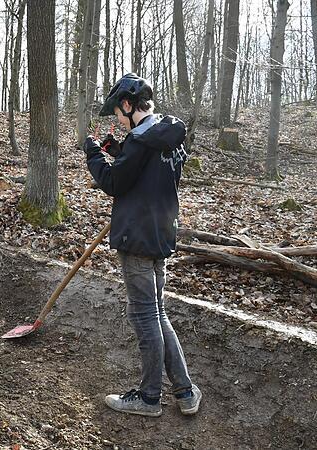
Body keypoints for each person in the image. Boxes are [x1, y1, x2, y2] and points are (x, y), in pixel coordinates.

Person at [83, 73, 201, 418]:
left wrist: (93, 153)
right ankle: (185, 391)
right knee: (157, 312)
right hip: (160, 232)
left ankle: (149, 397)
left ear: (128, 105)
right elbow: (147, 172)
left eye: (118, 115)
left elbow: (113, 181)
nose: (118, 122)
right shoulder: (169, 135)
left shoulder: (140, 140)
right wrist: (118, 151)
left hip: (137, 237)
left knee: (144, 314)